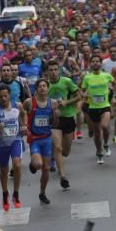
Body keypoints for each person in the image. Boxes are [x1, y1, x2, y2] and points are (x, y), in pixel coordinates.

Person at [0, 84, 27, 211]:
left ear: (9, 95)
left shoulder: (17, 105)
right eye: (0, 97)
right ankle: (5, 194)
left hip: (16, 140)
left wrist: (24, 125)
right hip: (2, 144)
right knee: (4, 171)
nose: (3, 99)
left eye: (5, 96)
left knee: (17, 165)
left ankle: (16, 194)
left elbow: (23, 114)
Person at [24, 78, 58, 205]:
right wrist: (24, 127)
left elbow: (55, 123)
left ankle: (42, 193)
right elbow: (21, 114)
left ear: (48, 88)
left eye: (45, 86)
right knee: (38, 165)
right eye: (40, 86)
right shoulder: (29, 102)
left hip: (47, 138)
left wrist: (55, 114)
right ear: (36, 89)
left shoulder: (53, 103)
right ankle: (33, 164)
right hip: (35, 139)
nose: (43, 88)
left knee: (46, 168)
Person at [47, 59, 80, 190]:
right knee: (58, 148)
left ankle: (54, 157)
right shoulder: (45, 85)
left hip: (68, 118)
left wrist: (67, 102)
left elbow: (79, 96)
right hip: (54, 121)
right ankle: (63, 177)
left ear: (59, 70)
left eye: (55, 70)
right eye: (51, 70)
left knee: (65, 152)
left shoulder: (66, 81)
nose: (53, 72)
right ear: (47, 72)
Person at [81, 55, 116, 165]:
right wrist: (84, 96)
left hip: (105, 106)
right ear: (90, 64)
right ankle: (99, 152)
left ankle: (106, 144)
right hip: (93, 108)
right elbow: (81, 90)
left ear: (100, 63)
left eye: (97, 61)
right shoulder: (87, 77)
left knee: (104, 126)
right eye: (93, 61)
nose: (95, 63)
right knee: (97, 133)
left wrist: (114, 96)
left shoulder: (106, 75)